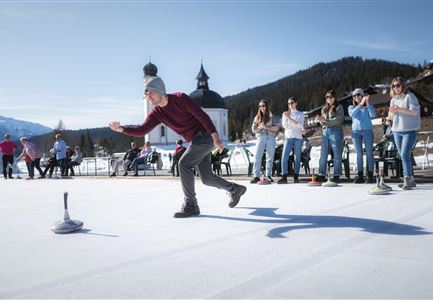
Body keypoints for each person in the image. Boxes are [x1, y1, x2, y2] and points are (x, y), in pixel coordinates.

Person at [108, 75, 246, 217]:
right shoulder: (157, 113)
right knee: (207, 178)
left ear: (160, 90)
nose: (148, 98)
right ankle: (235, 189)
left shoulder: (180, 99)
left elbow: (202, 116)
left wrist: (215, 136)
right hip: (195, 141)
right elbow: (142, 129)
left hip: (205, 136)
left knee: (184, 164)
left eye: (151, 93)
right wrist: (122, 129)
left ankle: (191, 204)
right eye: (146, 95)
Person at [387, 77, 420, 190]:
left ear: (403, 86)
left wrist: (399, 109)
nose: (396, 88)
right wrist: (389, 118)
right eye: (394, 86)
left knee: (405, 155)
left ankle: (407, 179)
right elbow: (392, 114)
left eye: (398, 85)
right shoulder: (393, 100)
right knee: (402, 156)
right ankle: (411, 179)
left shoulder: (410, 96)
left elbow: (414, 112)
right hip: (397, 131)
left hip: (408, 131)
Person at [348, 88, 376, 184]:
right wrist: (360, 105)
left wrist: (367, 104)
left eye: (358, 95)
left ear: (362, 95)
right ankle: (360, 175)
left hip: (367, 130)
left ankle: (370, 175)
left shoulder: (369, 105)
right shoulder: (351, 107)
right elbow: (352, 114)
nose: (356, 97)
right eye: (354, 96)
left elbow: (373, 114)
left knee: (369, 153)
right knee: (359, 154)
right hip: (356, 132)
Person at [316, 89, 344, 183]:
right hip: (325, 132)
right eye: (327, 97)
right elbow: (323, 123)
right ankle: (321, 174)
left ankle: (336, 174)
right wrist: (320, 120)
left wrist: (325, 121)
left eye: (331, 97)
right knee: (323, 154)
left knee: (337, 153)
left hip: (336, 130)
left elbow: (338, 120)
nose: (329, 98)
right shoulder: (324, 109)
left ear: (334, 97)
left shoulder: (339, 107)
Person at [250, 99, 279, 183]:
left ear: (266, 106)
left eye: (263, 106)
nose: (262, 107)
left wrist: (266, 127)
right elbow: (253, 129)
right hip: (261, 137)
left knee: (270, 157)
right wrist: (260, 127)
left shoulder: (272, 116)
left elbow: (276, 128)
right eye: (260, 106)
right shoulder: (257, 117)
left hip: (271, 137)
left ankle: (268, 175)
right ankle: (256, 176)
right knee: (257, 156)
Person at [277, 97, 305, 184]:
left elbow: (300, 126)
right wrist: (293, 121)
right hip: (288, 137)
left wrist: (290, 118)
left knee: (297, 157)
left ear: (296, 103)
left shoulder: (300, 114)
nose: (290, 105)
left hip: (298, 138)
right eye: (289, 103)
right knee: (284, 156)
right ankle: (284, 176)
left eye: (292, 103)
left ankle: (296, 176)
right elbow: (285, 126)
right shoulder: (284, 114)